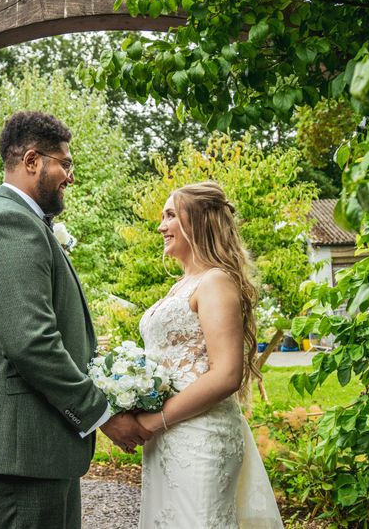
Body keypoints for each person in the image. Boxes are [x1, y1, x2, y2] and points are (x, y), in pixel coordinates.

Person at [0, 111, 151, 529]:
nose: (70, 176)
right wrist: (103, 414)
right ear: (31, 161)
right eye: (65, 163)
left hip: (37, 449)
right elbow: (31, 342)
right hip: (22, 453)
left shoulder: (25, 222)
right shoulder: (8, 223)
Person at [135, 181, 283, 528]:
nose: (161, 226)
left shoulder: (215, 282)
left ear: (197, 221)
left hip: (199, 437)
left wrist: (156, 420)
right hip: (169, 438)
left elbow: (227, 374)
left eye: (170, 215)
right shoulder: (182, 284)